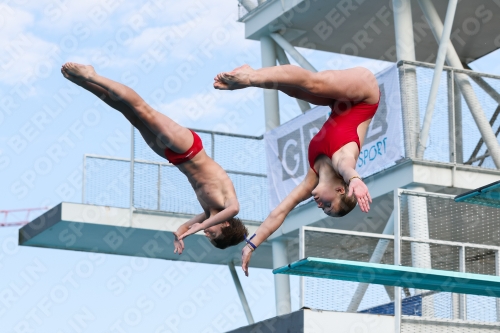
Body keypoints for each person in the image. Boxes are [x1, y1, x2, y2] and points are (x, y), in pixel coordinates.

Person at [61, 62, 247, 254]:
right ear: (225, 225)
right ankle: (92, 75)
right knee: (142, 110)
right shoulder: (228, 205)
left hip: (175, 158)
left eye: (209, 237)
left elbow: (183, 228)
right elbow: (233, 210)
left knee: (132, 116)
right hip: (189, 148)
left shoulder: (208, 213)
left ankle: (84, 83)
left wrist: (179, 234)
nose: (207, 233)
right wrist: (199, 228)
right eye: (213, 235)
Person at [214, 64, 379, 276]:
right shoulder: (341, 158)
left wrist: (251, 244)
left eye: (323, 208)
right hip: (364, 95)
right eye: (328, 205)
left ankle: (250, 72)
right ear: (340, 190)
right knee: (313, 83)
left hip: (339, 103)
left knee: (291, 88)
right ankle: (250, 77)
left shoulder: (313, 176)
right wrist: (355, 179)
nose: (320, 204)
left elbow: (280, 212)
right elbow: (347, 166)